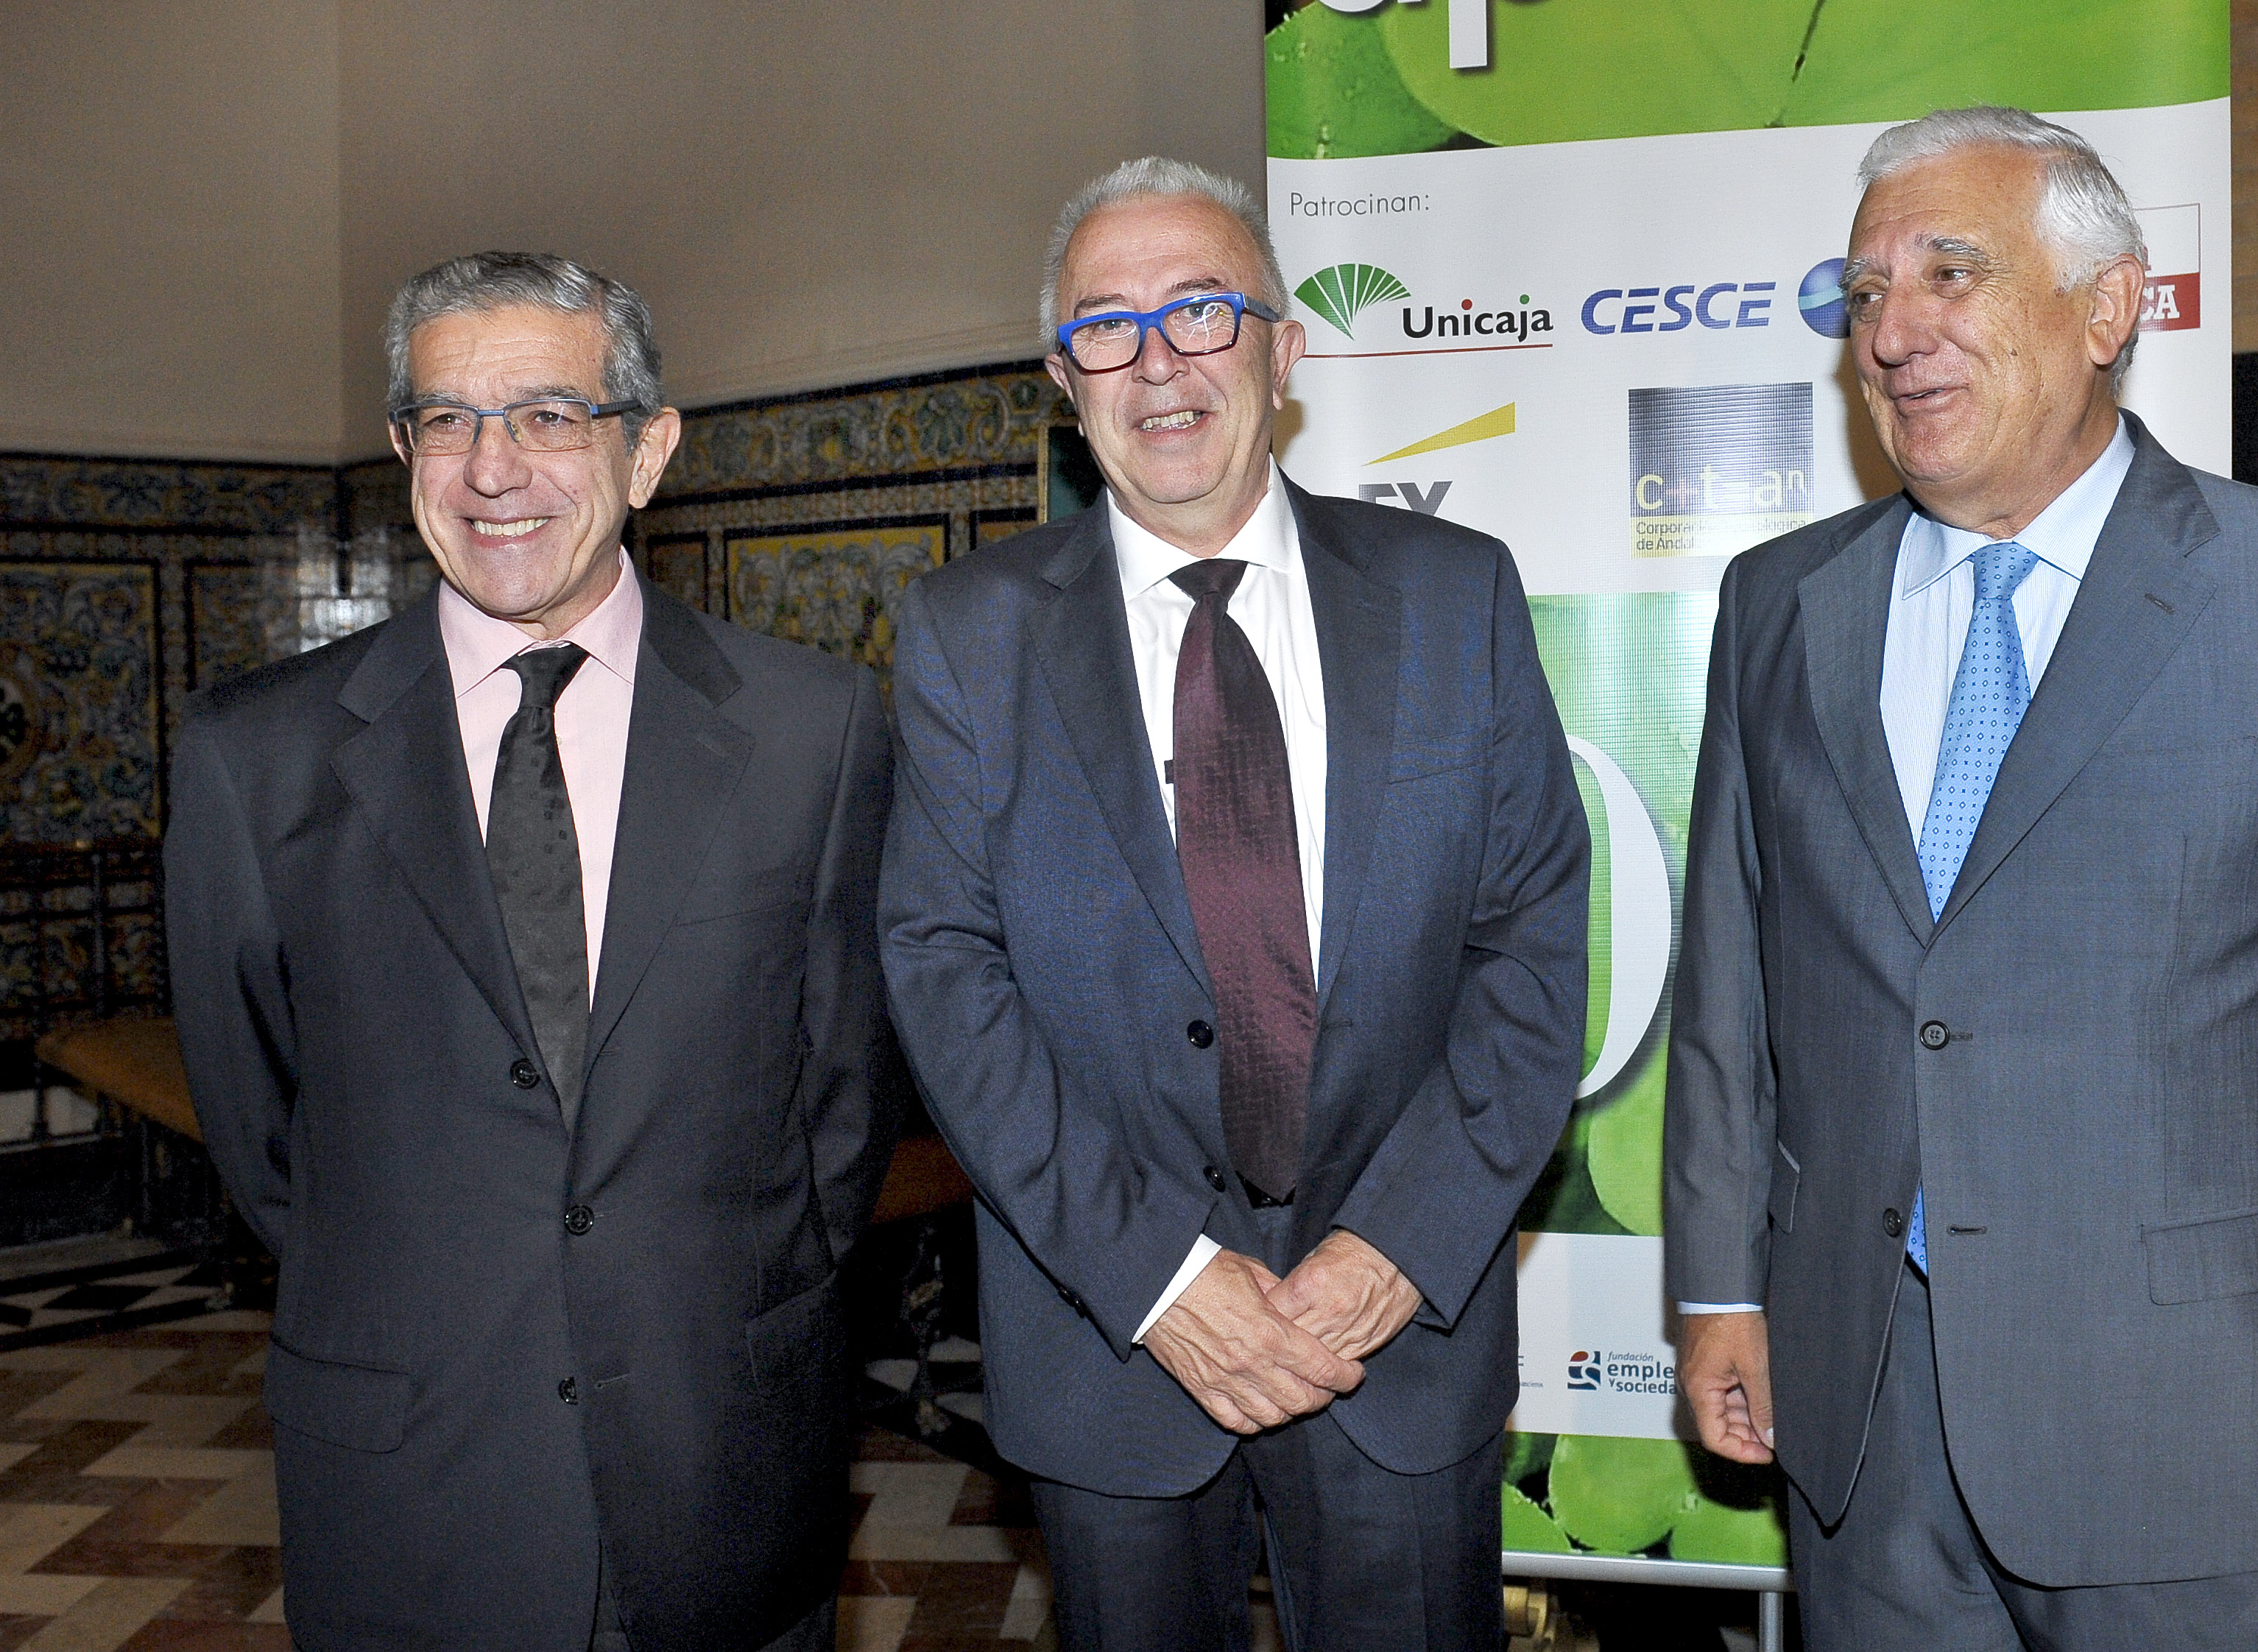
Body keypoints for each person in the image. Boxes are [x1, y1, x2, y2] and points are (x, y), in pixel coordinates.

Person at [1665, 107, 2258, 1652]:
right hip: (1865, 1426)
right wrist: (1722, 1285)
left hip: (2203, 1447)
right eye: (1866, 292)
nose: (1893, 334)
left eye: (1951, 274)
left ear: (2109, 305)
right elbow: (1732, 980)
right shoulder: (1781, 603)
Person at [880, 158, 1589, 1651]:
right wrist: (1161, 1275)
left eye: (1201, 310)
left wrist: (1395, 1246)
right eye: (1106, 325)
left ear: (1285, 348)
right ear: (1063, 380)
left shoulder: (1453, 593)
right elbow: (944, 974)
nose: (1158, 360)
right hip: (1114, 1340)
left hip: (1396, 1339)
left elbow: (1528, 944)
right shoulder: (965, 636)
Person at [166, 253, 900, 1652]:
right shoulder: (253, 758)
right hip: (412, 1486)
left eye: (550, 415)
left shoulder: (815, 731)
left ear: (649, 450)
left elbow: (842, 1106)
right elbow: (263, 1137)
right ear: (404, 452)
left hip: (721, 1469)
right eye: (447, 419)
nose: (493, 467)